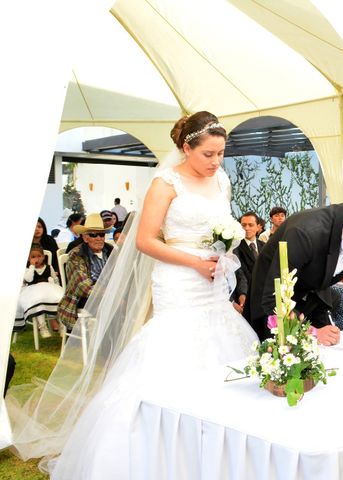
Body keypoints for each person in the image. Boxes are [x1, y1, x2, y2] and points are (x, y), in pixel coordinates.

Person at [18, 111, 257, 479]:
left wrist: (223, 255)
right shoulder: (165, 183)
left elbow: (221, 228)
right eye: (208, 154)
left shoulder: (221, 181)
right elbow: (145, 240)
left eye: (221, 153)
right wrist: (194, 262)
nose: (216, 161)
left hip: (212, 280)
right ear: (185, 147)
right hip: (178, 277)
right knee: (175, 354)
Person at [245, 201, 343, 345]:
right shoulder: (305, 232)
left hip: (314, 296)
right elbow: (274, 296)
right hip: (272, 300)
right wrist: (311, 332)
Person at [57, 213, 114, 330]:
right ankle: (108, 343)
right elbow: (84, 287)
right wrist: (112, 296)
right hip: (84, 299)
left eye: (101, 234)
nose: (99, 238)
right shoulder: (76, 255)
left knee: (133, 303)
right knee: (115, 306)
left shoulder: (110, 250)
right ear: (85, 237)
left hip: (109, 294)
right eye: (93, 234)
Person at [16, 244, 63, 337]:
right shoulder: (27, 269)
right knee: (37, 303)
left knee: (58, 300)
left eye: (39, 256)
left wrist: (56, 285)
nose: (37, 259)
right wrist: (32, 266)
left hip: (49, 290)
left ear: (43, 257)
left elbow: (55, 278)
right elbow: (29, 279)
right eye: (33, 257)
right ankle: (42, 327)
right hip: (33, 291)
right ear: (28, 258)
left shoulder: (49, 267)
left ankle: (62, 325)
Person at [232, 211, 264, 315]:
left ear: (258, 227)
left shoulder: (265, 246)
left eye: (250, 225)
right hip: (245, 300)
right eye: (243, 225)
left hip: (264, 299)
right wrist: (243, 294)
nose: (246, 228)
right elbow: (239, 273)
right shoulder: (234, 248)